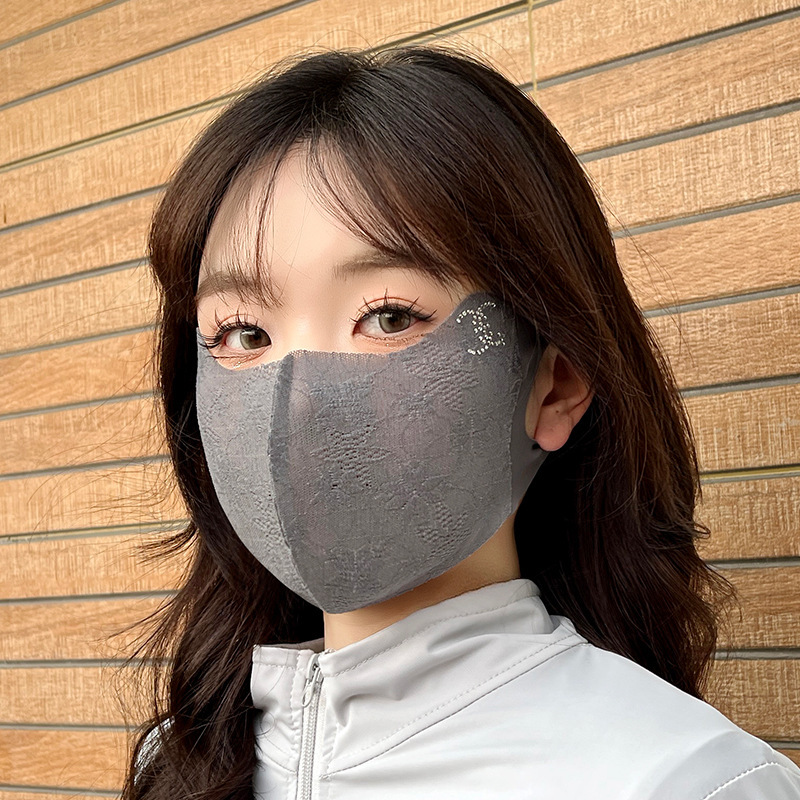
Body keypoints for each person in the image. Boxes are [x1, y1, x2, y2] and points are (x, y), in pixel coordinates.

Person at [122, 44, 800, 800]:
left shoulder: (690, 781)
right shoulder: (179, 760)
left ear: (554, 385)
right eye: (243, 333)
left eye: (388, 316)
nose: (297, 400)